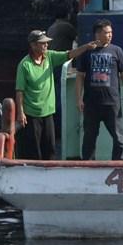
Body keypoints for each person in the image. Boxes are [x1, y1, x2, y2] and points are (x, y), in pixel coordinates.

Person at [15, 30, 97, 160]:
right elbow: (20, 90)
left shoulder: (50, 57)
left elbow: (69, 54)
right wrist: (20, 112)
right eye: (43, 43)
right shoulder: (24, 65)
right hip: (31, 114)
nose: (46, 46)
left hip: (48, 112)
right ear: (33, 45)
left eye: (47, 43)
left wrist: (86, 47)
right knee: (33, 150)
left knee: (50, 148)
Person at [75, 19, 123, 160]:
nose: (110, 35)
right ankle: (88, 167)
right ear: (97, 34)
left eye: (111, 32)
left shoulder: (117, 50)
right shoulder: (86, 52)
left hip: (112, 103)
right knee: (89, 138)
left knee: (119, 139)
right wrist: (78, 99)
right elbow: (79, 77)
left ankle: (119, 166)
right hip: (91, 104)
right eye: (106, 32)